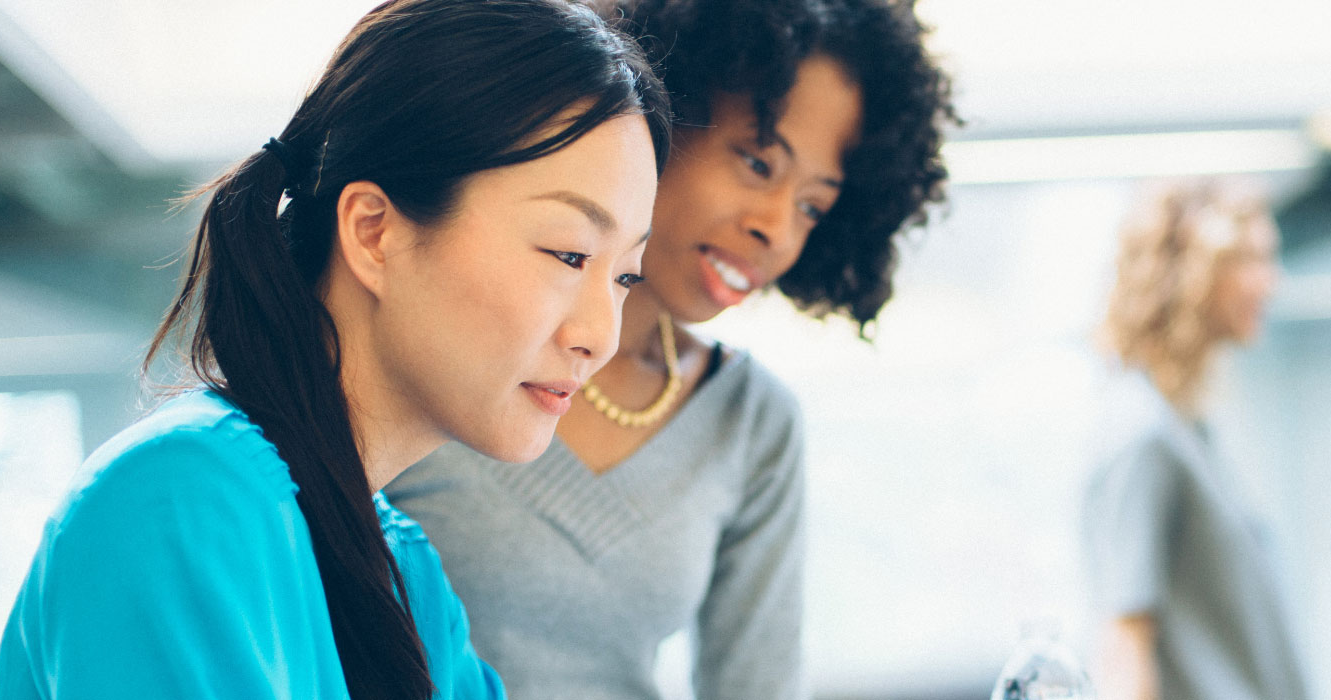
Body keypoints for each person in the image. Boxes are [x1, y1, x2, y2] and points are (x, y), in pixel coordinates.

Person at [0, 1, 670, 698]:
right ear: (375, 232)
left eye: (624, 276)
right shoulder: (181, 504)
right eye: (568, 253)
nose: (600, 335)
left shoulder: (403, 575)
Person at [382, 0, 955, 697]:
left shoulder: (750, 423)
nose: (776, 227)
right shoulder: (444, 346)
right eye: (756, 162)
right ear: (661, 112)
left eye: (812, 206)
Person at [1082, 179, 1308, 700]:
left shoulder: (1189, 430)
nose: (1271, 283)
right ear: (1189, 274)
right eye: (1250, 260)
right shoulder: (1140, 433)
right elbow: (1123, 650)